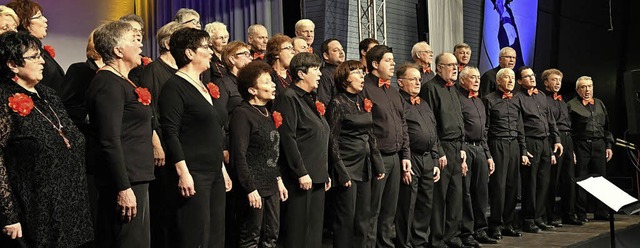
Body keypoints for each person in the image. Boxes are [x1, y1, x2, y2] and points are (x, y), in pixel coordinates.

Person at [0, 30, 93, 248]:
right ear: (13, 64)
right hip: (35, 208)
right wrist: (8, 214)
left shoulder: (48, 95)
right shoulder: (3, 99)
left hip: (71, 202)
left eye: (41, 55)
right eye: (34, 57)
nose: (42, 61)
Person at [86, 20, 155, 247]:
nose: (140, 46)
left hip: (136, 176)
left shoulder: (122, 80)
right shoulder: (108, 83)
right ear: (117, 50)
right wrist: (123, 187)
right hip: (125, 180)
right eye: (133, 41)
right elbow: (109, 140)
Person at [159, 27, 229, 247]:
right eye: (206, 48)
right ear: (190, 53)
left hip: (214, 171)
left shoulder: (204, 86)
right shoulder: (175, 87)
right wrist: (183, 173)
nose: (211, 53)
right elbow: (170, 133)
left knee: (216, 236)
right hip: (194, 172)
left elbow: (214, 132)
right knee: (196, 236)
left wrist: (222, 169)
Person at [273, 52, 331, 248]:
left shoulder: (310, 99)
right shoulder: (289, 98)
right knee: (297, 233)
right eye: (315, 70)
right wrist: (301, 172)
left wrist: (324, 171)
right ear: (300, 73)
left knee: (314, 233)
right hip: (300, 177)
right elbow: (287, 139)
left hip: (317, 175)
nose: (320, 74)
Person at [230, 61, 289, 247]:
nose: (272, 85)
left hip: (270, 183)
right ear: (252, 90)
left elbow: (271, 151)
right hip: (253, 185)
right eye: (266, 82)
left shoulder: (266, 112)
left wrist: (278, 179)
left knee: (271, 235)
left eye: (272, 81)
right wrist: (249, 188)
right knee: (251, 237)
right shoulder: (243, 113)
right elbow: (239, 155)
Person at [327, 60, 385, 248]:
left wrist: (378, 163)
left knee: (363, 217)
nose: (362, 77)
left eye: (362, 73)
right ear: (345, 78)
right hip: (347, 165)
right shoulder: (337, 102)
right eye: (358, 73)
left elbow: (369, 134)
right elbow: (332, 140)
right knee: (346, 219)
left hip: (365, 165)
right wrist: (341, 171)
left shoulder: (360, 101)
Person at [361, 45, 411, 247]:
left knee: (389, 209)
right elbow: (366, 127)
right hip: (376, 156)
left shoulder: (393, 91)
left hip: (396, 157)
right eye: (388, 61)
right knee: (372, 209)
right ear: (374, 64)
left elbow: (403, 124)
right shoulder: (364, 88)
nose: (393, 64)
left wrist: (406, 155)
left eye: (393, 60)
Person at [139, 21, 181, 248]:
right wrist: (156, 144)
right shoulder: (153, 71)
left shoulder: (183, 71)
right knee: (164, 204)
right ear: (167, 43)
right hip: (163, 144)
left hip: (180, 144)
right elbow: (150, 111)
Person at [419, 53, 467, 248]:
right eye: (450, 65)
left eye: (456, 65)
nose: (455, 68)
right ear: (439, 68)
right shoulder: (430, 88)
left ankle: (452, 236)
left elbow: (460, 120)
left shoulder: (454, 89)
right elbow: (431, 124)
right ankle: (437, 239)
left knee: (456, 195)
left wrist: (463, 147)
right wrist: (438, 151)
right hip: (443, 147)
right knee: (439, 197)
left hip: (457, 148)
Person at [394, 63, 441, 248]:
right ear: (400, 82)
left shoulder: (424, 103)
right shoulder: (399, 103)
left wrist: (436, 159)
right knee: (408, 203)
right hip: (411, 157)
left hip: (428, 158)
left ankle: (419, 241)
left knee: (425, 203)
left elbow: (433, 132)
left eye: (419, 79)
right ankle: (404, 243)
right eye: (412, 79)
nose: (417, 82)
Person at [515, 66, 563, 233]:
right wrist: (524, 148)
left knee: (544, 182)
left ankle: (539, 217)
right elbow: (519, 126)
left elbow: (551, 121)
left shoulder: (541, 96)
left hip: (544, 142)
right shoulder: (518, 98)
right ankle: (528, 219)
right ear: (520, 81)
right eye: (527, 77)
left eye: (532, 75)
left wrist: (556, 140)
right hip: (530, 142)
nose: (532, 78)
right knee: (531, 183)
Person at [483, 68, 526, 240]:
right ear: (498, 81)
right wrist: (487, 153)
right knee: (498, 187)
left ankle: (508, 223)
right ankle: (495, 225)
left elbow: (520, 127)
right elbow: (485, 129)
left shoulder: (516, 100)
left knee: (512, 186)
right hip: (497, 143)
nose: (510, 80)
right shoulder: (489, 100)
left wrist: (523, 150)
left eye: (513, 78)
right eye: (507, 77)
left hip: (514, 144)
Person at [457, 66, 498, 246]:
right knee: (466, 193)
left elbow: (484, 132)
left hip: (480, 148)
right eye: (472, 77)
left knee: (481, 192)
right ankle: (466, 232)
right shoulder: (458, 100)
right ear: (462, 80)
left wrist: (488, 155)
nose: (476, 80)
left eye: (477, 78)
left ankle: (480, 230)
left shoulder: (480, 102)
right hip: (466, 148)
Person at [567, 76, 614, 222]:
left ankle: (601, 211)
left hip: (599, 144)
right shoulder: (571, 105)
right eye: (583, 87)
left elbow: (606, 127)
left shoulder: (599, 103)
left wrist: (609, 145)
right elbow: (568, 130)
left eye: (590, 86)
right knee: (582, 179)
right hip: (581, 145)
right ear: (577, 90)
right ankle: (581, 213)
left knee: (601, 178)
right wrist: (572, 151)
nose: (587, 90)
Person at [541, 69, 584, 226]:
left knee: (569, 179)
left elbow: (568, 125)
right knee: (552, 179)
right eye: (554, 80)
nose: (557, 83)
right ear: (546, 82)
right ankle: (549, 215)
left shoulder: (562, 101)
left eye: (559, 80)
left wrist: (571, 150)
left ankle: (569, 214)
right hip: (554, 139)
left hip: (567, 139)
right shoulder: (543, 100)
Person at [7, 0, 65, 94]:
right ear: (25, 23)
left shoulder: (41, 51)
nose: (45, 19)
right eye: (39, 16)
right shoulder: (19, 54)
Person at [120, 14, 152, 85]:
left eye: (140, 31)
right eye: (134, 30)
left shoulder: (145, 61)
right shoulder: (119, 60)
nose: (138, 34)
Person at [318, 38, 345, 104]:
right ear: (326, 56)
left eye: (342, 49)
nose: (341, 52)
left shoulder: (346, 71)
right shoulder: (324, 74)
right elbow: (324, 102)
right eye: (335, 50)